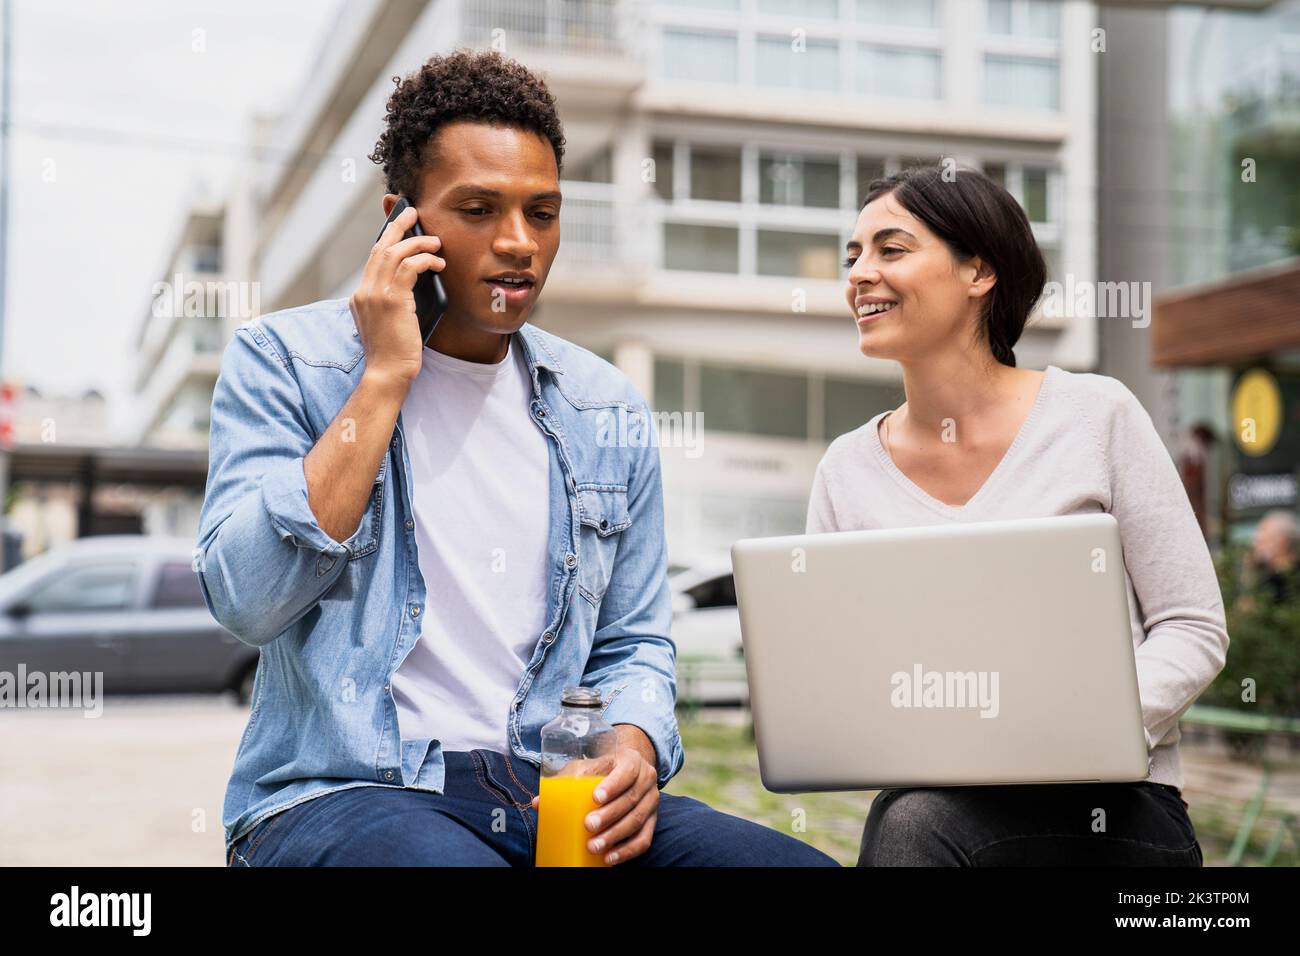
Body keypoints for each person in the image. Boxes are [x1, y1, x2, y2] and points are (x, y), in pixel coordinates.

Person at [201, 49, 835, 868]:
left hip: (551, 793)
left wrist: (635, 748)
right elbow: (246, 601)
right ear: (401, 220)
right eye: (478, 209)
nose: (518, 243)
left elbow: (635, 642)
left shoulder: (603, 406)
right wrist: (384, 377)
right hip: (347, 792)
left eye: (543, 212)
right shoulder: (284, 361)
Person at [806, 164, 1229, 866]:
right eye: (853, 257)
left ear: (979, 272)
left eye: (891, 248)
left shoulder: (1097, 417)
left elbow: (1193, 627)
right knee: (911, 818)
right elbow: (835, 673)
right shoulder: (845, 471)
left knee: (912, 826)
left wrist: (1086, 729)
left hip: (1113, 805)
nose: (859, 273)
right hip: (941, 804)